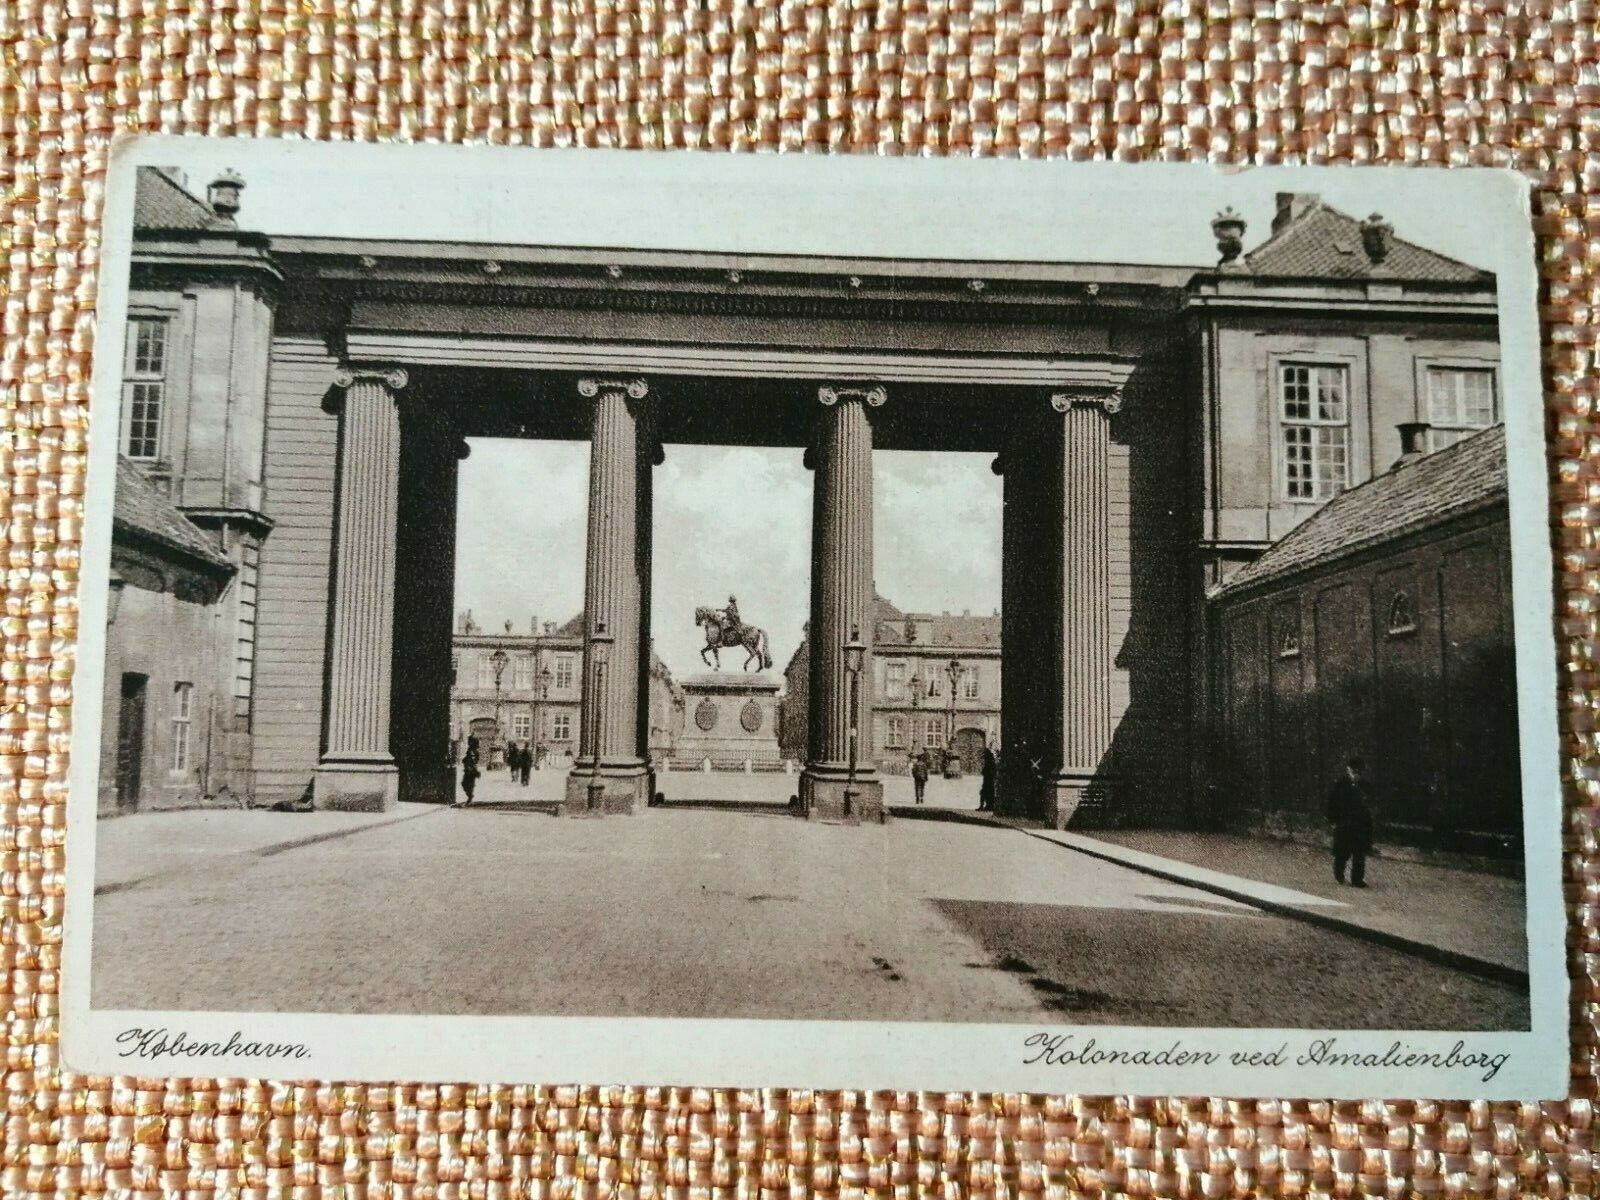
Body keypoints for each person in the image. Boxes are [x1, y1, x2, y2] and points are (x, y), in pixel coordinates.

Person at [1326, 754, 1375, 887]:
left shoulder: (1365, 787)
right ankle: (1339, 873)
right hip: (1344, 823)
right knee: (1342, 852)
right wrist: (1333, 820)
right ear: (1348, 770)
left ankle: (1357, 879)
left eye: (1359, 772)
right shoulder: (1340, 785)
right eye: (1354, 771)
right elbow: (1333, 804)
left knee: (1359, 854)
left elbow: (1370, 806)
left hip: (1359, 825)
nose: (1356, 775)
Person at [979, 746, 998, 812]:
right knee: (985, 793)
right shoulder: (991, 762)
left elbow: (987, 772)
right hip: (988, 781)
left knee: (985, 793)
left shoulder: (990, 763)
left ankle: (985, 806)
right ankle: (986, 806)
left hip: (989, 781)